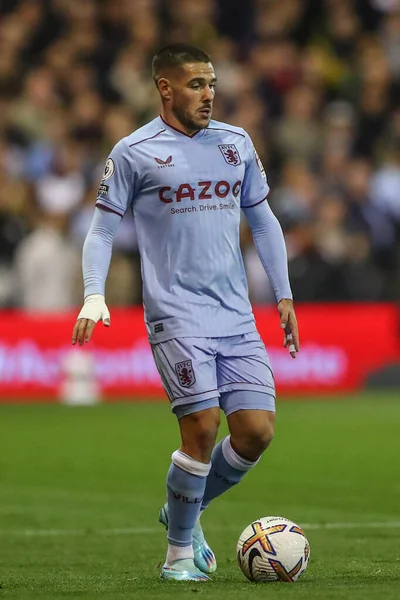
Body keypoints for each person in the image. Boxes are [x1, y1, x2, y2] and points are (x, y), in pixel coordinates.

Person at [72, 43, 299, 582]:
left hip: (235, 314)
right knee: (200, 427)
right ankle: (178, 554)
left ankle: (185, 507)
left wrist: (284, 294)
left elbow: (263, 221)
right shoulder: (134, 151)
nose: (209, 94)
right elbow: (103, 228)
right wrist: (93, 293)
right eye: (196, 84)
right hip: (175, 313)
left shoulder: (235, 143)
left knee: (256, 433)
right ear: (165, 88)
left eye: (212, 83)